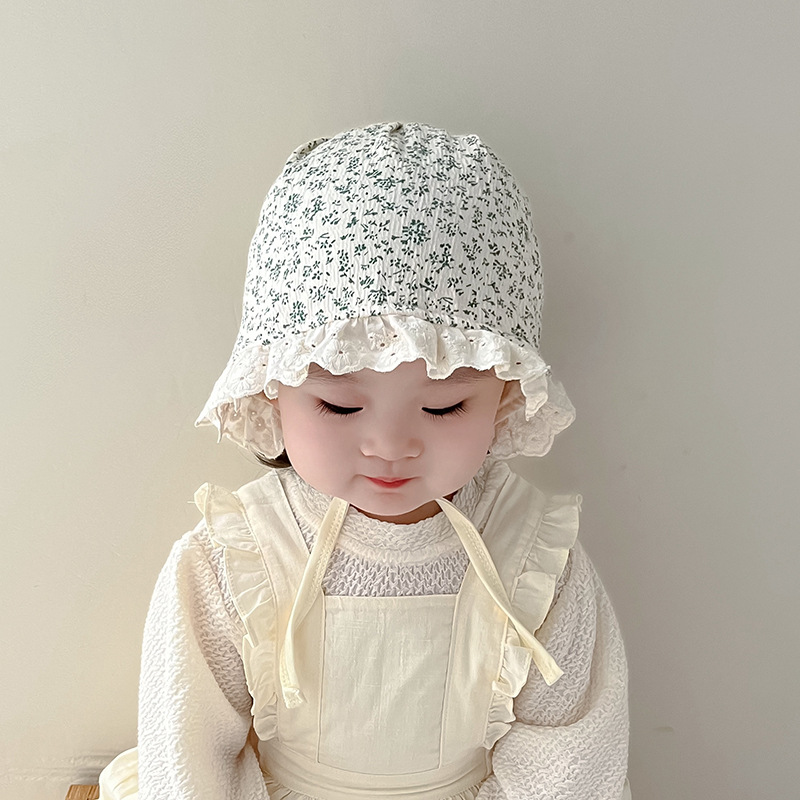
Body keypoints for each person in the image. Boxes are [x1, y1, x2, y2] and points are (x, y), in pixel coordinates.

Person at [99, 121, 630, 799]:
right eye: (339, 406)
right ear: (272, 387)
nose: (390, 446)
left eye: (444, 408)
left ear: (505, 394)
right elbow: (188, 757)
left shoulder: (535, 560)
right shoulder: (235, 559)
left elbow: (571, 759)